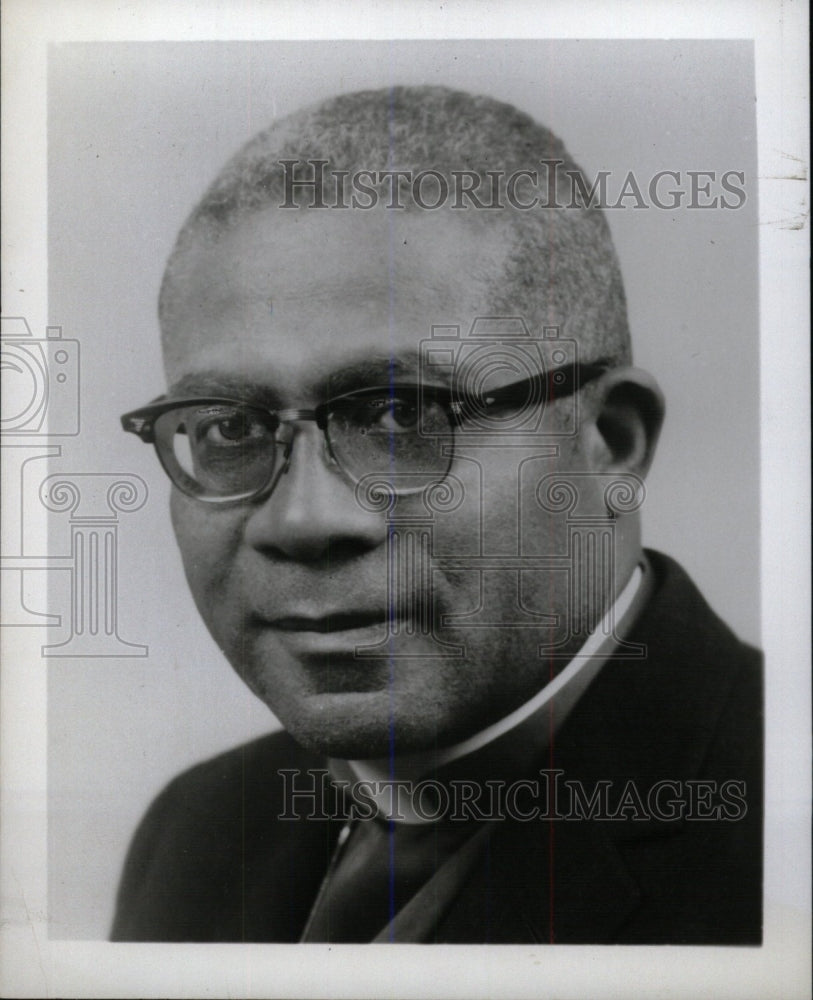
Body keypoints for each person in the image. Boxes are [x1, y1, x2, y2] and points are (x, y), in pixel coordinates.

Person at [112, 86, 762, 944]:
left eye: (400, 415)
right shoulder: (198, 830)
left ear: (609, 441)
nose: (302, 521)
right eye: (230, 428)